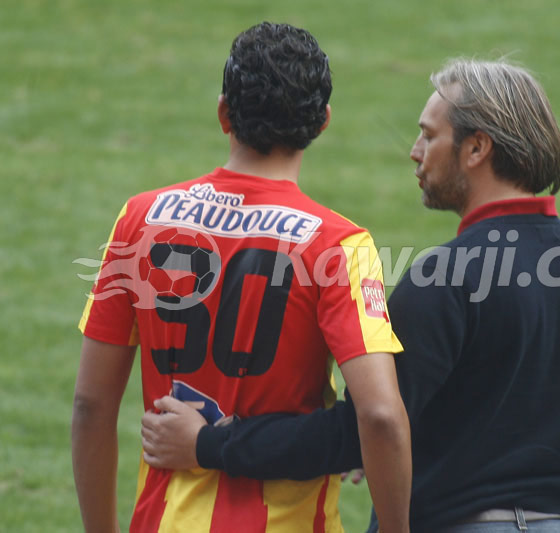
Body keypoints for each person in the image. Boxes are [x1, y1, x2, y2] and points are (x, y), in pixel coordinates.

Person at [141, 59, 560, 532]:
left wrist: (207, 444)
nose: (415, 152)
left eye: (430, 136)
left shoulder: (446, 277)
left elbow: (366, 427)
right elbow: (502, 406)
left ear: (476, 148)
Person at [72, 21, 411, 533]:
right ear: (322, 122)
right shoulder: (337, 245)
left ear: (223, 113)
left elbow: (90, 404)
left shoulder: (141, 219)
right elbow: (381, 416)